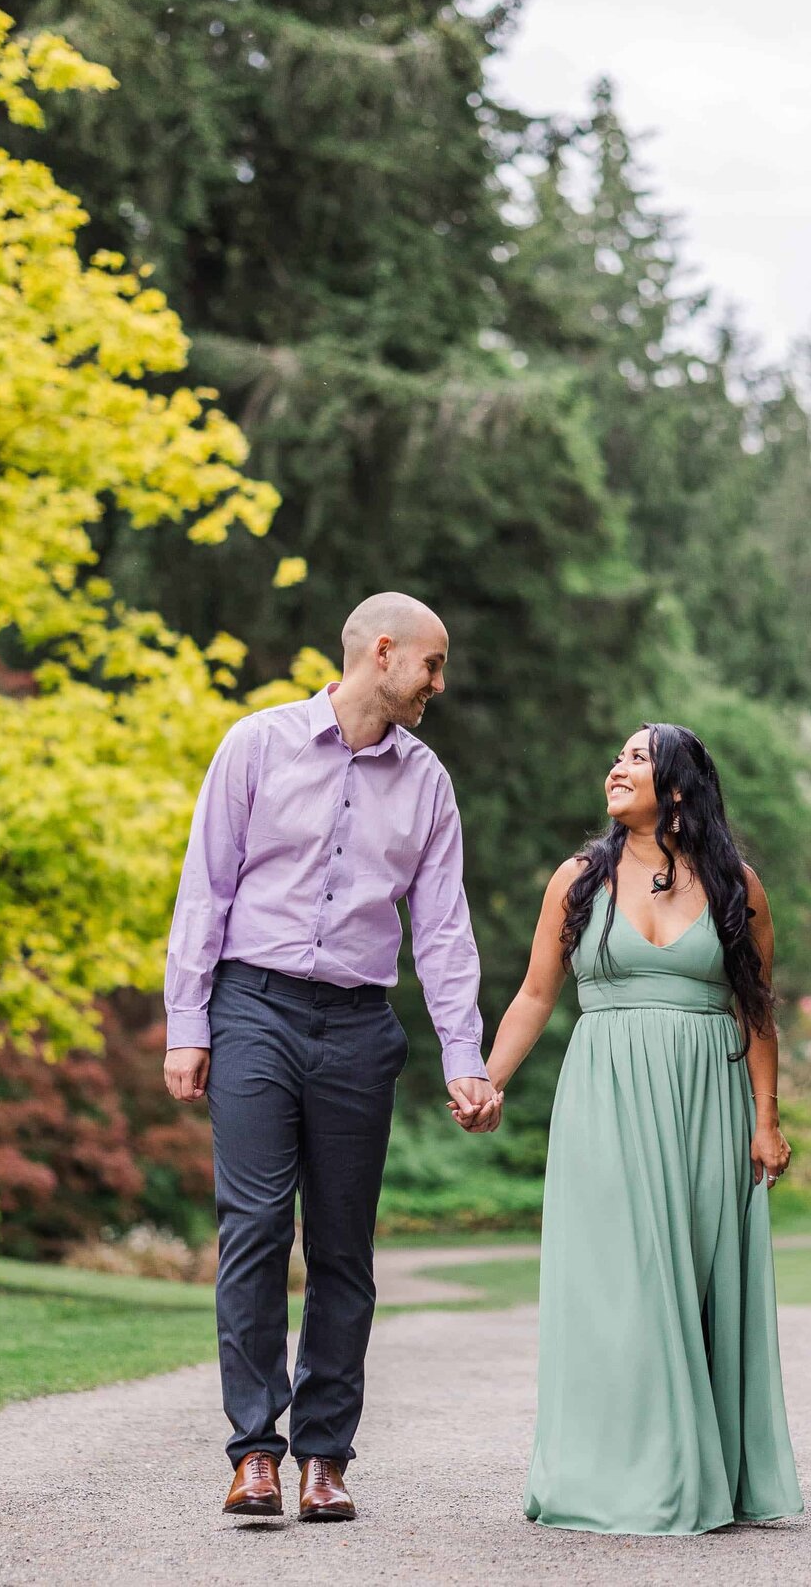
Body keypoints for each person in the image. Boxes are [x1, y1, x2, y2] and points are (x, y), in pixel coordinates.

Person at [163, 593, 497, 1522]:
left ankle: (324, 1456)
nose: (439, 682)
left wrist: (462, 1055)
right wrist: (187, 1022)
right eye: (431, 664)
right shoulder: (257, 745)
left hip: (357, 1025)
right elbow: (206, 887)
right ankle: (254, 1451)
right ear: (382, 653)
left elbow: (441, 930)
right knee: (256, 1227)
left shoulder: (426, 781)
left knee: (344, 1246)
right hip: (253, 1008)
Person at [458, 722, 803, 1535]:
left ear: (678, 787)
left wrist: (767, 1120)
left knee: (693, 1279)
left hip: (706, 1101)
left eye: (637, 757)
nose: (616, 766)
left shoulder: (736, 886)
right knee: (619, 1284)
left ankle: (705, 1468)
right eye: (615, 754)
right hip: (606, 1095)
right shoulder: (577, 880)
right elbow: (537, 994)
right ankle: (615, 1473)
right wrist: (488, 1078)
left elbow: (757, 1008)